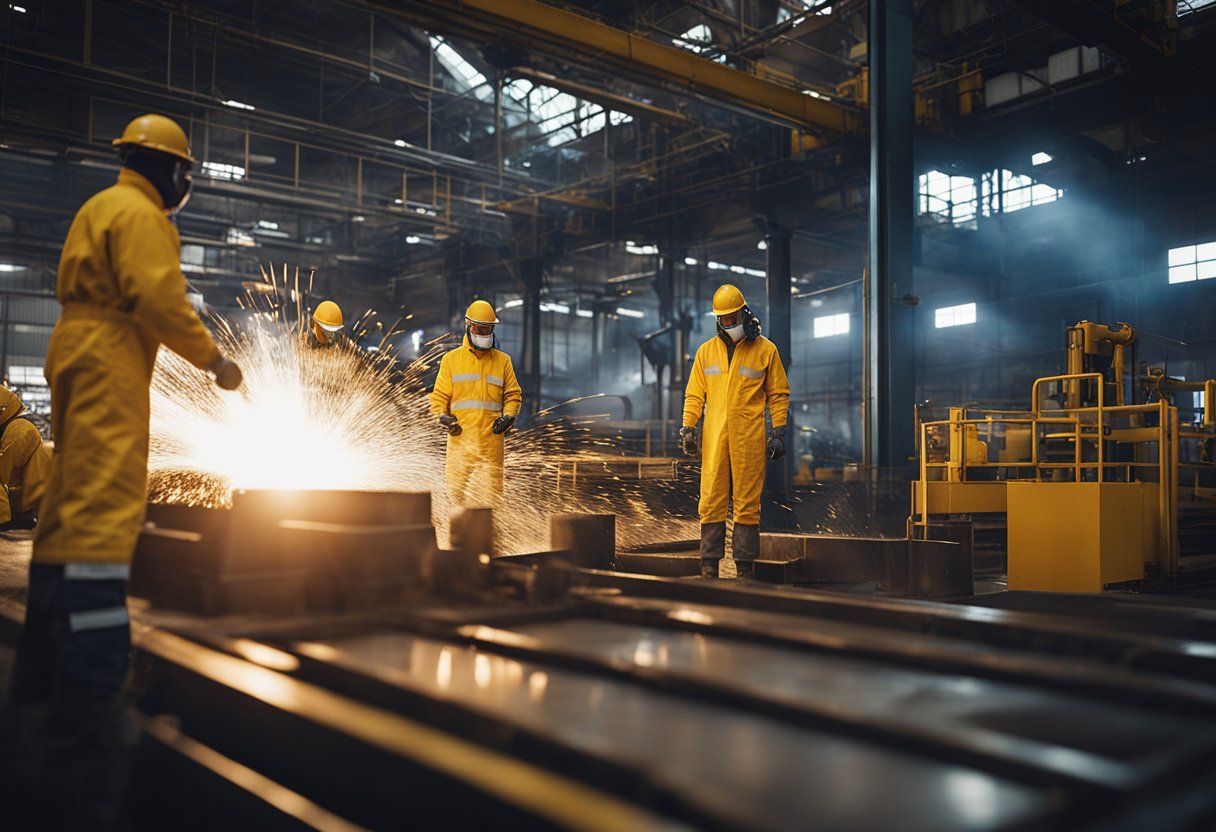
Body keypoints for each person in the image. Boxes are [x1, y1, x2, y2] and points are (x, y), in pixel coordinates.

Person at [0, 113, 243, 829]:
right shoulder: (140, 214)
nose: (184, 186)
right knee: (106, 511)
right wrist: (214, 360)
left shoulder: (99, 205)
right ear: (167, 169)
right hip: (109, 363)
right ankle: (95, 694)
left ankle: (36, 686)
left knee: (71, 504)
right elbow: (159, 298)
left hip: (78, 354)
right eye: (185, 173)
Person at [680, 284, 790, 579]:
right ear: (718, 320)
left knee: (746, 502)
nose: (729, 324)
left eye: (733, 318)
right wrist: (688, 428)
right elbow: (694, 395)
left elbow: (778, 394)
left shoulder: (766, 350)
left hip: (749, 438)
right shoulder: (706, 353)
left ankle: (744, 567)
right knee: (711, 498)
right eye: (724, 319)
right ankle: (708, 564)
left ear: (744, 313)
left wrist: (778, 432)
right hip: (715, 437)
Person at [430, 300, 522, 507]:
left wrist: (509, 416)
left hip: (491, 443)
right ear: (469, 326)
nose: (484, 333)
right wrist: (441, 415)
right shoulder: (451, 360)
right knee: (454, 497)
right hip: (460, 441)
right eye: (480, 329)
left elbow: (513, 395)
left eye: (488, 329)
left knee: (491, 502)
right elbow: (439, 396)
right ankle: (456, 538)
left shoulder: (503, 361)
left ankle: (489, 538)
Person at [0, 386, 52, 530]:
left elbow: (5, 477)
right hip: (29, 501)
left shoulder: (19, 431)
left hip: (27, 504)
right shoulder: (17, 427)